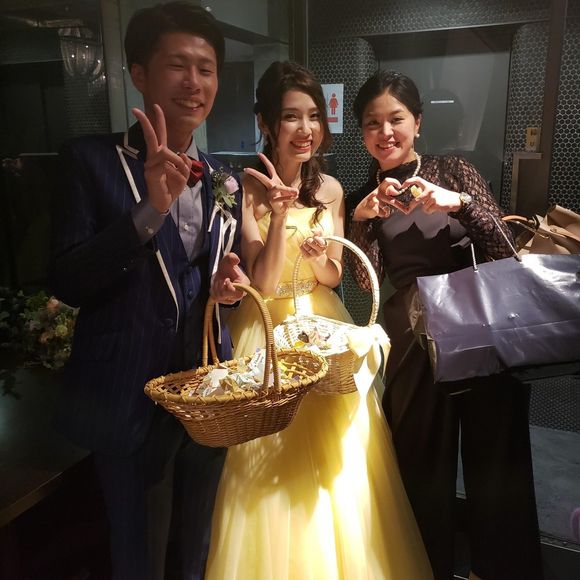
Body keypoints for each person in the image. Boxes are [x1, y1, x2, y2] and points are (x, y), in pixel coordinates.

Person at [205, 61, 432, 580]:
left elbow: (332, 275)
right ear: (266, 123)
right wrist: (278, 217)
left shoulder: (329, 187)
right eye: (291, 116)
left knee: (340, 461)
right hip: (265, 331)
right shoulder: (244, 186)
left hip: (320, 327)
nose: (306, 129)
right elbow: (263, 283)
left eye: (313, 116)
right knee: (267, 457)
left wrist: (317, 256)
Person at [49, 3, 248, 579]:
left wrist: (225, 289)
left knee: (195, 550)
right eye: (177, 66)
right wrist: (148, 212)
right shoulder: (88, 161)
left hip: (205, 394)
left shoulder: (222, 176)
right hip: (127, 397)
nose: (194, 83)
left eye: (206, 69)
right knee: (137, 557)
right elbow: (68, 280)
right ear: (138, 74)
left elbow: (200, 275)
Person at [347, 70, 543, 580]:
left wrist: (462, 204)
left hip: (481, 330)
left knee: (497, 465)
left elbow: (506, 248)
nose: (385, 132)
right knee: (420, 468)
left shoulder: (454, 171)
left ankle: (500, 571)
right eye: (372, 123)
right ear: (362, 133)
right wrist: (361, 220)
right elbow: (365, 282)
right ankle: (423, 569)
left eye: (395, 119)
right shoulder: (364, 195)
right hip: (413, 342)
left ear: (417, 122)